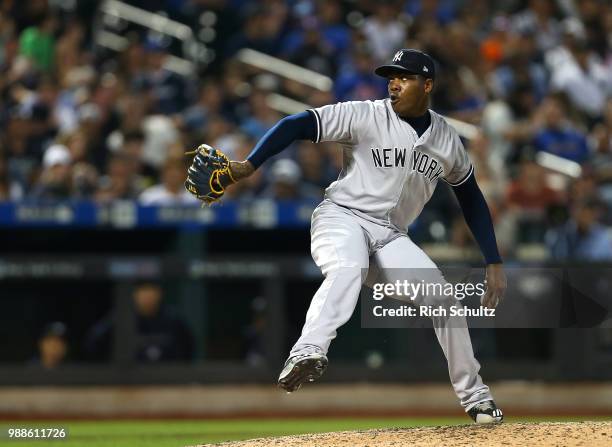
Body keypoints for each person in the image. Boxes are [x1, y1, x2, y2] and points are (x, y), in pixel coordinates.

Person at [195, 49, 506, 423]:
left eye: (403, 77)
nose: (393, 82)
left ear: (427, 85)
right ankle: (307, 350)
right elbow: (297, 123)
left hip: (391, 237)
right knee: (348, 267)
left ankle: (477, 400)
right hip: (341, 218)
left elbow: (469, 196)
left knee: (443, 301)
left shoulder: (446, 138)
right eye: (390, 76)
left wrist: (493, 259)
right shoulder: (364, 114)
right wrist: (248, 165)